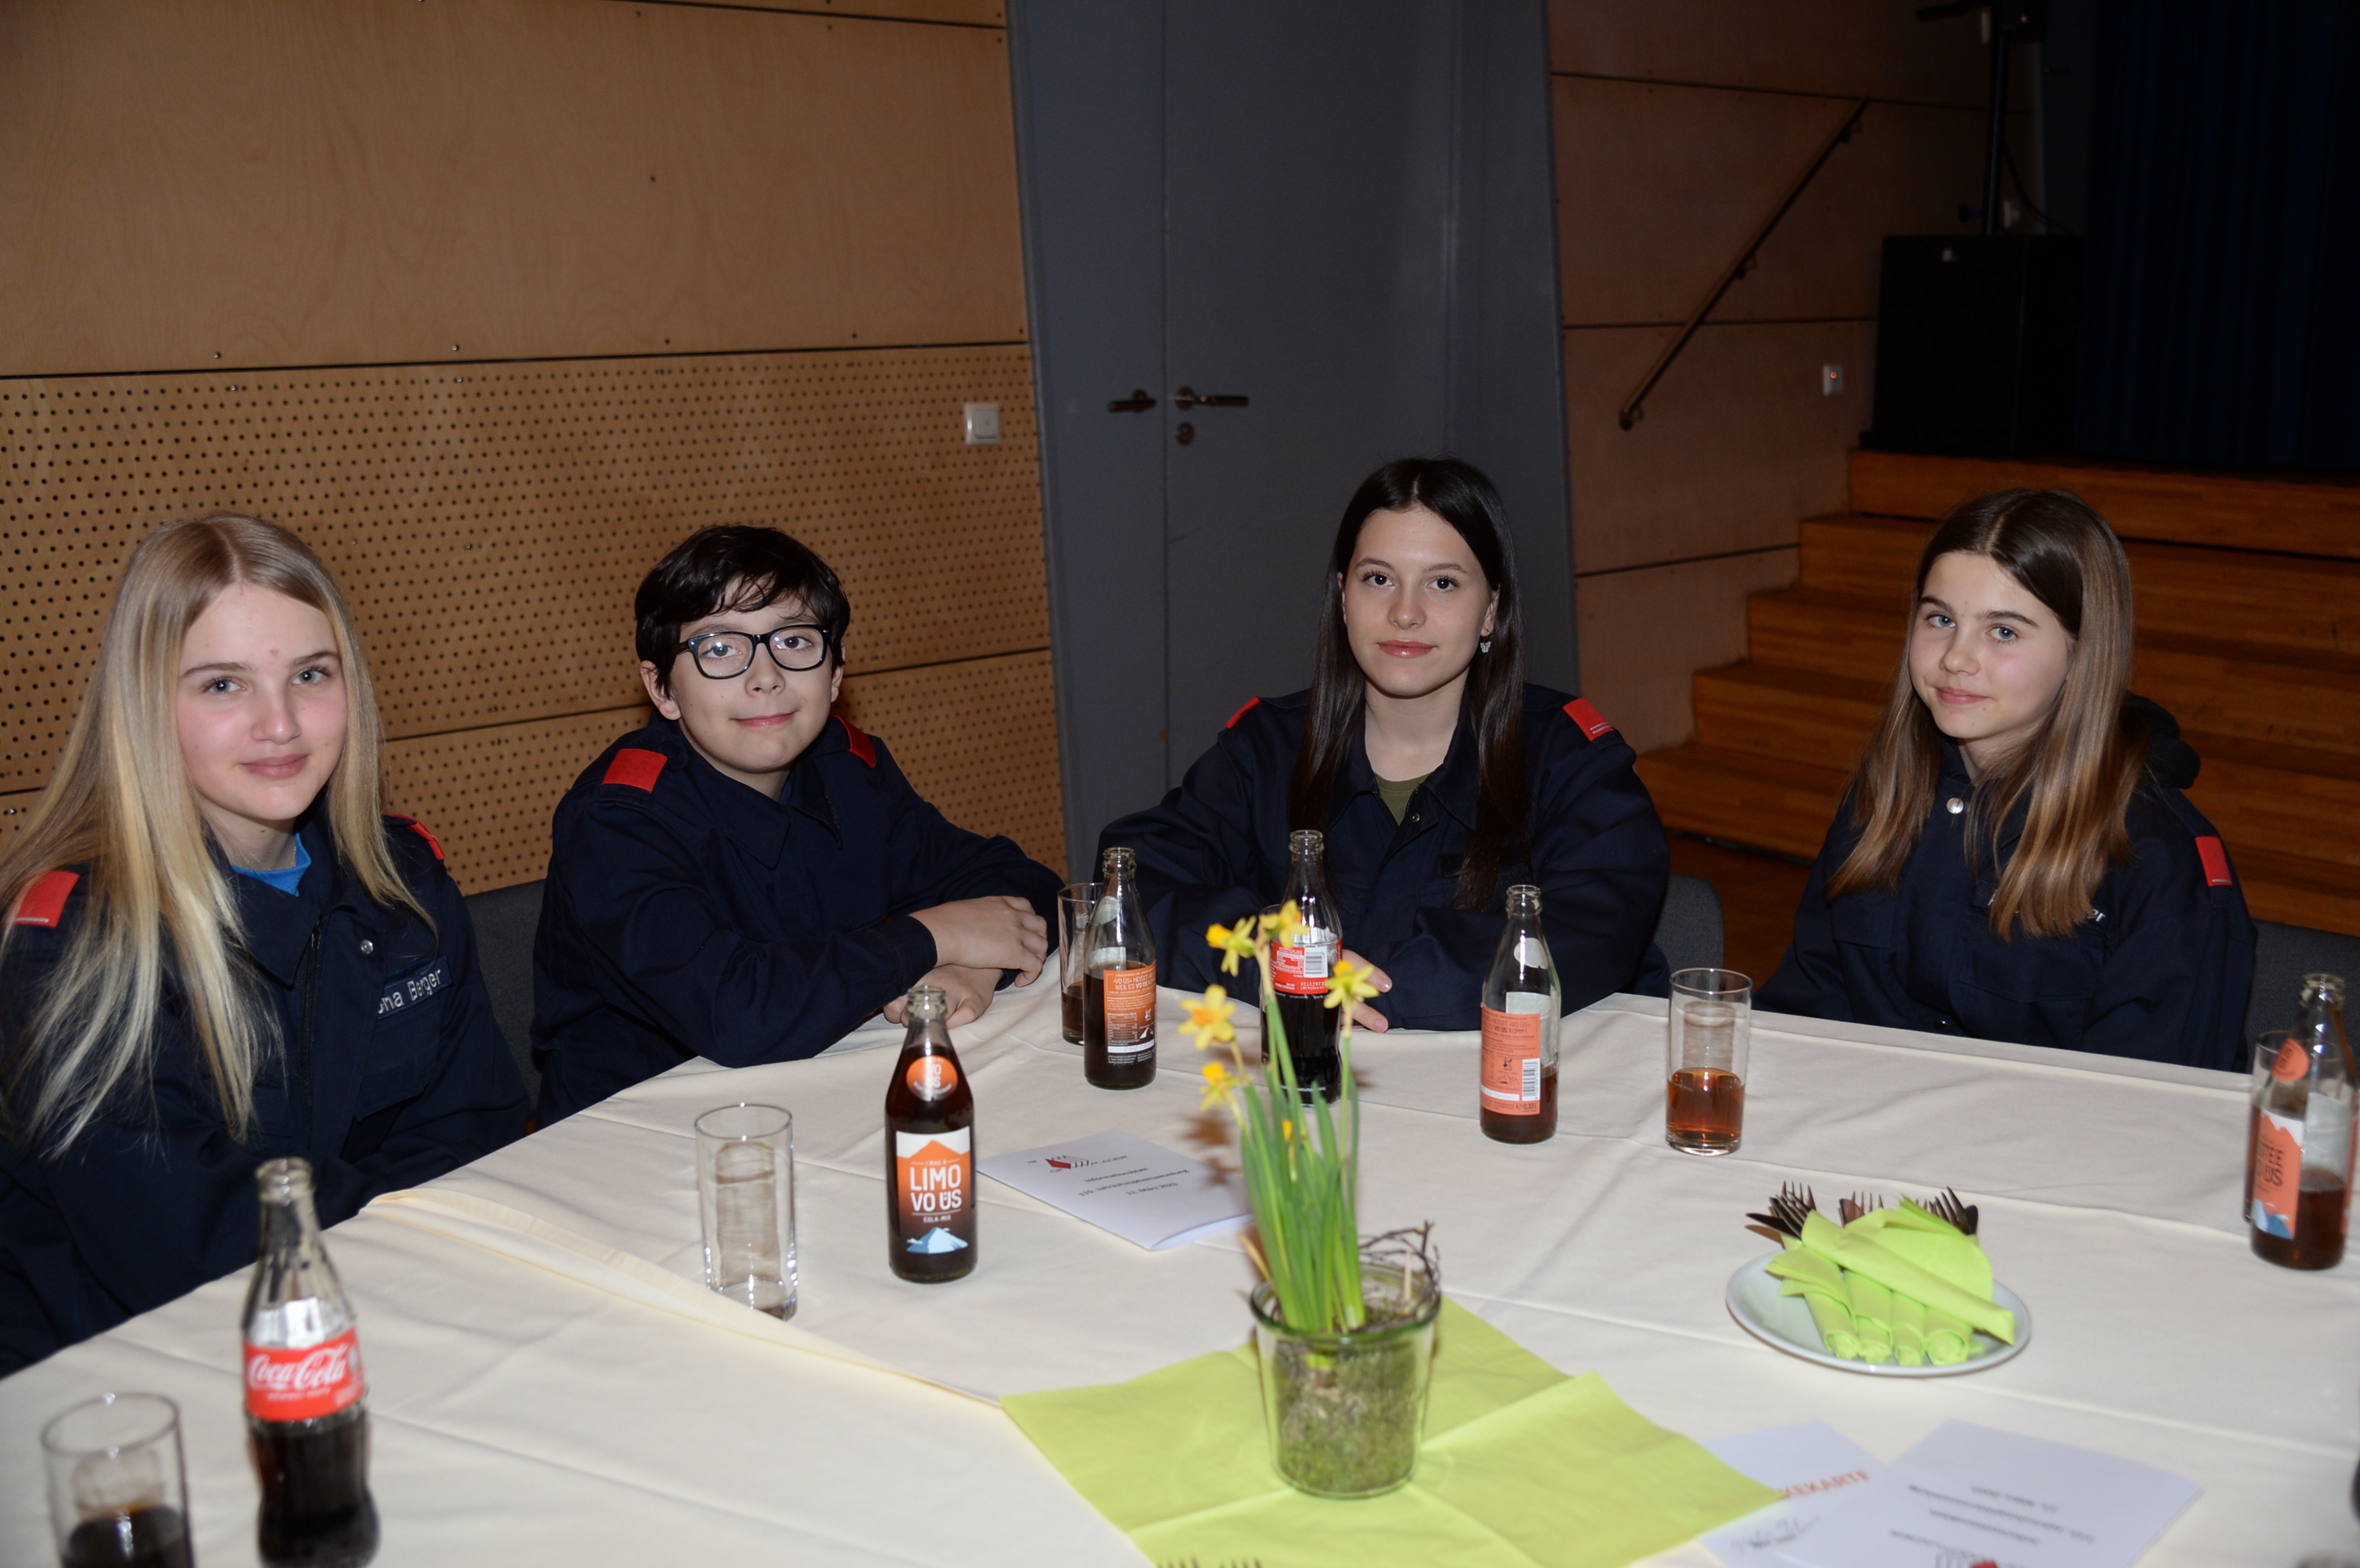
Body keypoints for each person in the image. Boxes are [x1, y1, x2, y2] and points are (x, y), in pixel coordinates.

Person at [0, 516, 529, 1371]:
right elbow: (187, 1245)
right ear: (147, 707)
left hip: (396, 1310)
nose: (280, 724)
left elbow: (482, 1130)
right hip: (135, 1369)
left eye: (310, 675)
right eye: (223, 685)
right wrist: (415, 1218)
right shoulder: (75, 944)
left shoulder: (401, 881)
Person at [1101, 457, 1670, 1031]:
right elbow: (1132, 883)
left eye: (1442, 583)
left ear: (1491, 611)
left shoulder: (1571, 760)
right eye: (1378, 579)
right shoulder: (1266, 749)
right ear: (1342, 595)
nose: (1405, 613)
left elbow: (1592, 930)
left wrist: (1356, 983)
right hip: (1309, 1072)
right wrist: (1263, 958)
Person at [531, 526, 1062, 1122]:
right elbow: (738, 1013)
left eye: (794, 640)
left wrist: (975, 965)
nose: (766, 676)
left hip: (820, 1091)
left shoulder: (846, 767)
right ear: (662, 689)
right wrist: (933, 937)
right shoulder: (616, 820)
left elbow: (1022, 882)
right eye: (720, 649)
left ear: (835, 674)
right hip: (642, 1128)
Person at [1759, 489, 2255, 1070]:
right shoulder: (1885, 798)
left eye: (2003, 632)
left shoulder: (2157, 858)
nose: (1956, 658)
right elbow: (1806, 1013)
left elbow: (2152, 1102)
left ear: (2081, 653)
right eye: (1941, 619)